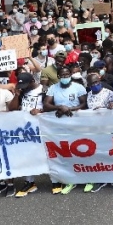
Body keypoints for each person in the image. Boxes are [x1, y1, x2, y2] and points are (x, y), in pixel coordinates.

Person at [43, 67, 88, 195]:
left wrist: (70, 109)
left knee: (82, 150)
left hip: (77, 124)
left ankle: (88, 178)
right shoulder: (53, 88)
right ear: (58, 76)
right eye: (62, 75)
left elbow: (84, 104)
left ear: (71, 75)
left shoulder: (78, 87)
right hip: (60, 126)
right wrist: (60, 107)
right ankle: (71, 180)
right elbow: (46, 105)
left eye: (67, 74)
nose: (65, 76)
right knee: (67, 152)